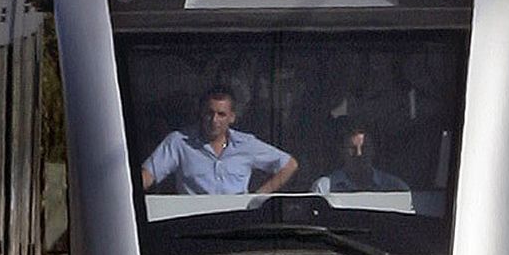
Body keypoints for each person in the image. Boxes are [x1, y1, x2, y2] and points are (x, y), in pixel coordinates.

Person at [141, 85, 296, 197]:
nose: (214, 120)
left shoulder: (247, 144)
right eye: (210, 113)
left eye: (221, 114)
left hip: (238, 225)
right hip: (193, 225)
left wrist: (257, 197)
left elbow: (289, 165)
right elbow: (147, 175)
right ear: (201, 113)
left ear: (232, 117)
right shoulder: (178, 142)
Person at [311, 123, 408, 196]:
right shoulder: (323, 188)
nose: (359, 154)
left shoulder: (395, 187)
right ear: (342, 151)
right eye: (352, 149)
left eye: (364, 148)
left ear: (373, 150)